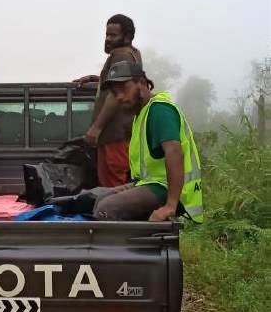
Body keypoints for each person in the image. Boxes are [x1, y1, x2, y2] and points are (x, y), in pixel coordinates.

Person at [93, 60, 203, 223]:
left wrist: (170, 206)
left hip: (171, 191)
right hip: (152, 183)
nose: (120, 97)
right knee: (97, 200)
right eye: (115, 93)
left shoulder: (159, 110)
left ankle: (127, 248)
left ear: (142, 83)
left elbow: (174, 152)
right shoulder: (142, 113)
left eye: (123, 89)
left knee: (106, 210)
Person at [74, 14, 142, 187]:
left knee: (112, 188)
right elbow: (123, 80)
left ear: (127, 36)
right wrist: (94, 78)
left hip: (114, 136)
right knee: (116, 185)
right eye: (107, 34)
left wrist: (96, 128)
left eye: (113, 35)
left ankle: (112, 215)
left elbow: (116, 93)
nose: (108, 39)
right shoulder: (133, 54)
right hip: (122, 135)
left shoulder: (121, 55)